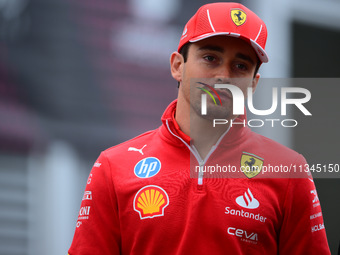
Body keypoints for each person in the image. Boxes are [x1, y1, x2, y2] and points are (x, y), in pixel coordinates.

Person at [68, 2, 330, 254]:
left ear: (253, 84)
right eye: (210, 58)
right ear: (177, 66)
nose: (223, 76)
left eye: (240, 66)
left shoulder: (290, 171)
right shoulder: (114, 166)